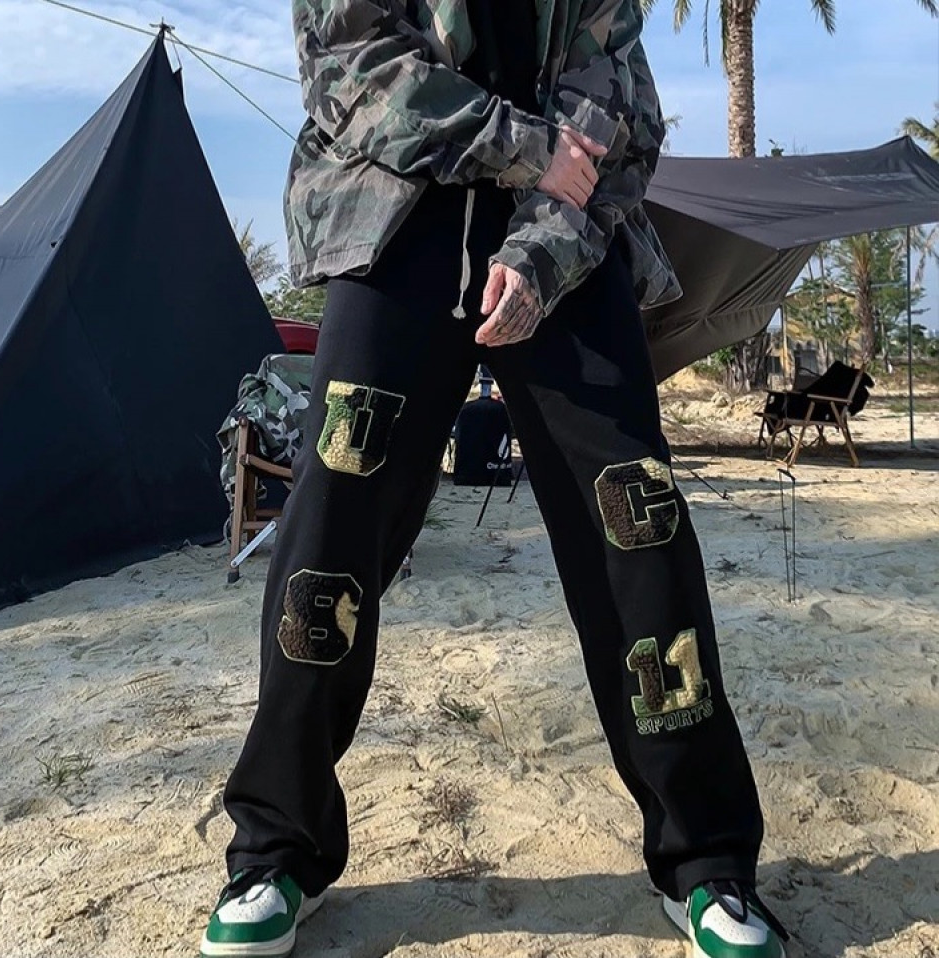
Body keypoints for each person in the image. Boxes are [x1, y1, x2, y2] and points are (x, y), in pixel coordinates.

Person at [200, 1, 790, 956]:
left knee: (638, 515)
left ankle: (705, 857)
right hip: (396, 221)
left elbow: (622, 120)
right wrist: (528, 148)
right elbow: (348, 68)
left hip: (563, 240)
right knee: (331, 522)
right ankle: (276, 846)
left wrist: (538, 252)